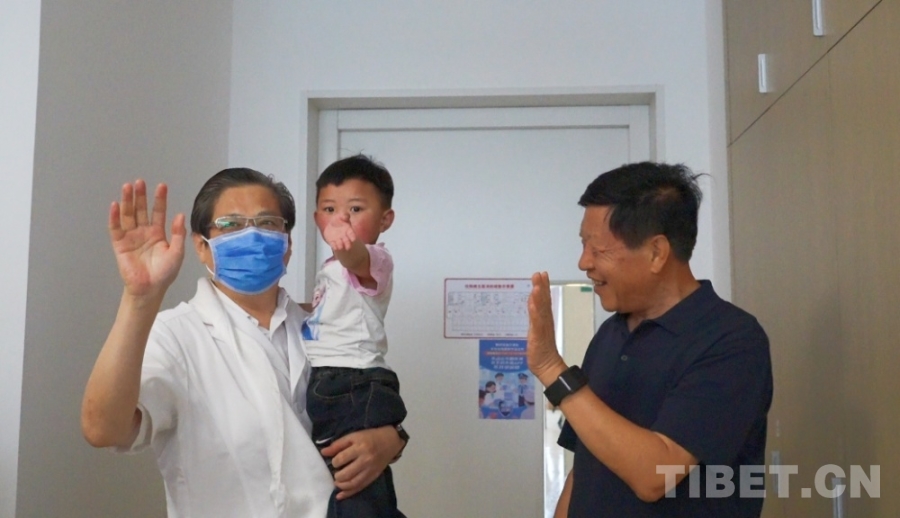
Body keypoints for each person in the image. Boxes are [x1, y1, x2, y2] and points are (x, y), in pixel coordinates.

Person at [80, 169, 406, 518]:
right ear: (201, 247)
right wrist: (140, 299)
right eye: (231, 224)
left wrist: (392, 439)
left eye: (267, 223)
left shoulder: (320, 327)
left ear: (287, 245)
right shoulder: (177, 335)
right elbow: (104, 430)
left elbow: (359, 403)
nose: (251, 235)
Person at [526, 162, 773, 517]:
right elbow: (584, 469)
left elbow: (655, 475)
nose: (584, 262)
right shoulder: (610, 334)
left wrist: (552, 368)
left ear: (657, 252)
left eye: (598, 249)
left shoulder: (731, 340)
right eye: (583, 245)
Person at [300, 154, 407, 517]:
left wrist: (344, 243)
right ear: (316, 217)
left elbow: (355, 257)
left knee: (354, 483)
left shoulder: (376, 259)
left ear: (385, 219)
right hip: (331, 379)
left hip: (352, 381)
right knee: (349, 480)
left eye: (355, 209)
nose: (341, 219)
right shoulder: (330, 268)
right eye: (329, 209)